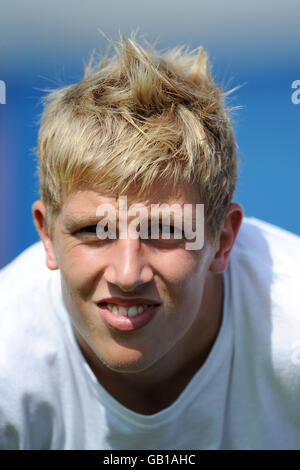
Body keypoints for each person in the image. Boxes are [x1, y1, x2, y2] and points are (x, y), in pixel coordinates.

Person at [1, 34, 300, 451]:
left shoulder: (291, 336)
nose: (127, 274)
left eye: (166, 231)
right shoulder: (7, 362)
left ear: (223, 239)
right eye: (93, 231)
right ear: (47, 234)